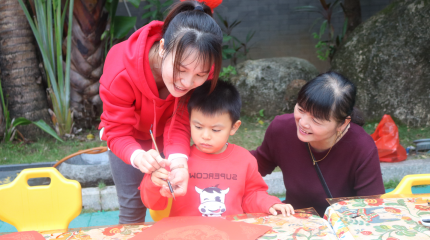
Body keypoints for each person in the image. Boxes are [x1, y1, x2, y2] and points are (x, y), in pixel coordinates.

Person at [98, 0, 223, 223]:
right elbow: (116, 132)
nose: (187, 82)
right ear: (163, 46)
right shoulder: (120, 69)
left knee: (179, 201)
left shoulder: (205, 67)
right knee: (132, 207)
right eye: (181, 69)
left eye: (200, 75)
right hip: (127, 138)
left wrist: (179, 162)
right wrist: (137, 156)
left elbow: (181, 120)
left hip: (170, 137)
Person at [140, 81, 295, 217]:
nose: (205, 136)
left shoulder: (244, 159)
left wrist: (270, 204)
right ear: (189, 121)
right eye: (198, 126)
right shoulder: (177, 161)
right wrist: (153, 182)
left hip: (230, 233)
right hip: (185, 233)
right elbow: (153, 204)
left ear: (234, 127)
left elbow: (252, 195)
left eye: (215, 130)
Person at [251, 71, 385, 216]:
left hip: (341, 228)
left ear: (342, 123)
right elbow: (252, 166)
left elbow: (370, 208)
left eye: (316, 120)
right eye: (301, 110)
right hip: (293, 223)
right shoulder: (281, 128)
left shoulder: (362, 147)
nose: (302, 123)